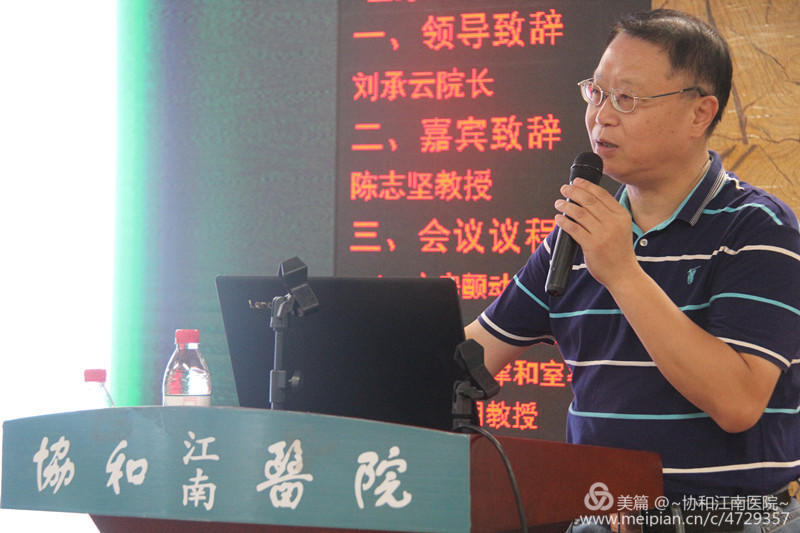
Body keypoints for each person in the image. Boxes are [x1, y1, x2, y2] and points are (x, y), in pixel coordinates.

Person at [465, 9, 800, 532]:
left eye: (627, 98)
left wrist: (623, 273)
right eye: (596, 93)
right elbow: (472, 357)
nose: (602, 116)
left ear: (700, 113)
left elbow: (738, 403)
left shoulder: (759, 228)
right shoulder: (580, 234)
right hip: (601, 516)